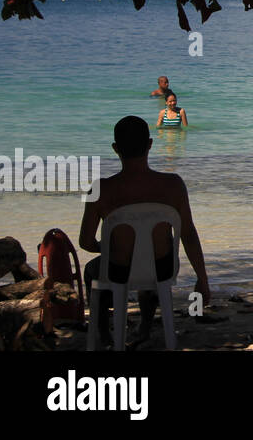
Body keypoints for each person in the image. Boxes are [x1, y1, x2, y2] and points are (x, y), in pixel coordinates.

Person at [78, 115, 211, 347]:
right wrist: (202, 278)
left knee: (92, 271)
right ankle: (145, 327)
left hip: (117, 271)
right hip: (162, 269)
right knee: (153, 258)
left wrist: (107, 249)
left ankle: (105, 335)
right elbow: (188, 234)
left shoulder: (100, 189)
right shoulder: (173, 185)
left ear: (115, 148)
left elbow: (85, 242)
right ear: (150, 144)